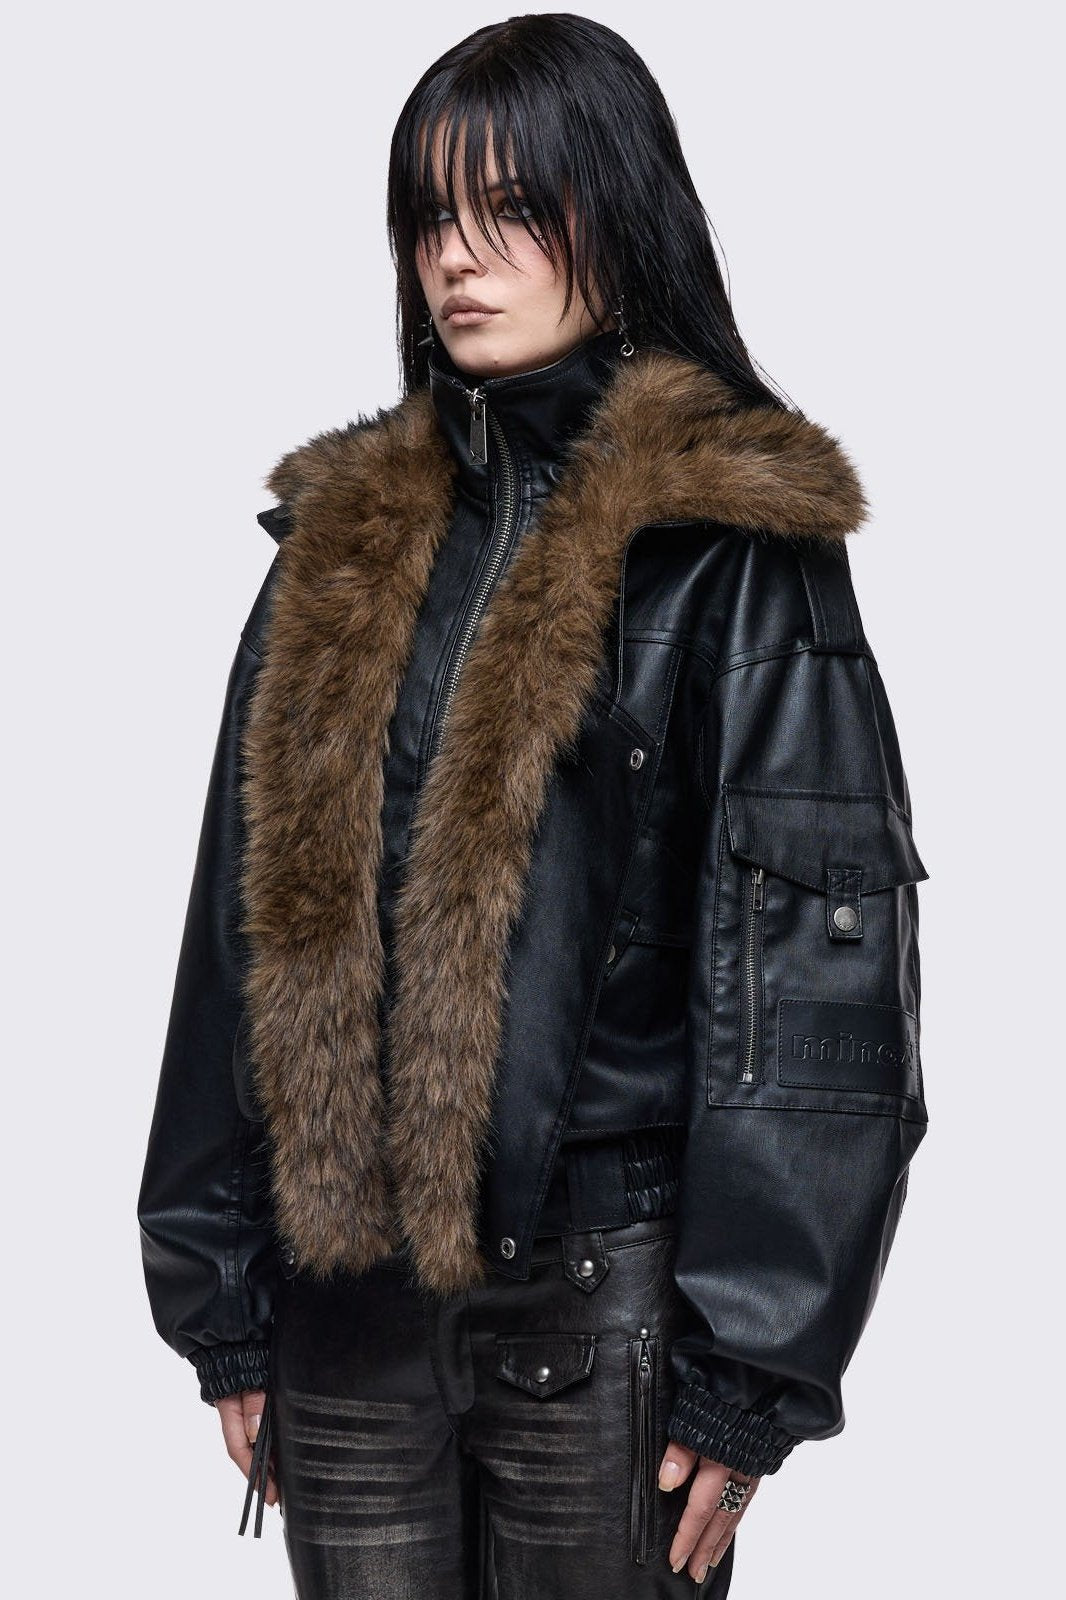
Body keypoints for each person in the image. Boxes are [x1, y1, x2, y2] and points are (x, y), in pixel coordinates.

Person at [137, 14, 931, 1598]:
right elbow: (241, 931)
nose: (456, 255)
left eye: (512, 209)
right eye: (429, 215)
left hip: (604, 1307)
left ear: (615, 217)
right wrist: (220, 1297)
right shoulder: (339, 540)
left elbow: (813, 980)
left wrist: (750, 1370)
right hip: (342, 1318)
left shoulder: (728, 547)